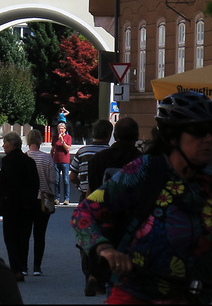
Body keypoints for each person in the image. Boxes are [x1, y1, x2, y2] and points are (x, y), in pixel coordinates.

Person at [74, 92, 212, 304]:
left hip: (194, 297)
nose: (208, 139)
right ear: (171, 137)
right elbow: (83, 213)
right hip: (137, 295)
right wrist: (105, 249)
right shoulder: (145, 170)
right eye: (198, 131)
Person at [71, 120, 116, 296]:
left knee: (86, 237)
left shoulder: (82, 151)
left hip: (86, 198)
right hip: (108, 200)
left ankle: (89, 274)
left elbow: (72, 176)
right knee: (105, 237)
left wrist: (79, 185)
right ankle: (102, 276)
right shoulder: (109, 153)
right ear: (108, 134)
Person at [0, 133, 40, 282]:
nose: (3, 146)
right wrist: (30, 200)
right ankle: (22, 266)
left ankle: (15, 268)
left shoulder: (8, 162)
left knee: (11, 238)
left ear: (12, 144)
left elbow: (6, 185)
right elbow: (35, 184)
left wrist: (3, 202)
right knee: (24, 237)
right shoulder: (29, 162)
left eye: (5, 143)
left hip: (11, 206)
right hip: (27, 206)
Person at [24, 128, 57, 276]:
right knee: (40, 234)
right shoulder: (47, 158)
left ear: (28, 140)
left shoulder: (24, 157)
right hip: (43, 199)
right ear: (40, 141)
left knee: (24, 234)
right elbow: (52, 180)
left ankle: (23, 266)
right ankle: (37, 266)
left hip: (26, 200)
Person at [87, 116, 140, 194]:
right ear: (137, 136)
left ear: (114, 136)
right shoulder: (144, 161)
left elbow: (90, 193)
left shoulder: (96, 160)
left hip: (102, 205)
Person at [51, 123, 74, 202]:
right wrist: (51, 158)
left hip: (65, 161)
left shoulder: (68, 137)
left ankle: (66, 198)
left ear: (65, 129)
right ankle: (56, 198)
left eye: (61, 128)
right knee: (56, 180)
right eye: (58, 129)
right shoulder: (54, 138)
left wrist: (62, 141)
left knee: (65, 180)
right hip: (56, 161)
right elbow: (53, 149)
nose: (60, 130)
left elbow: (67, 149)